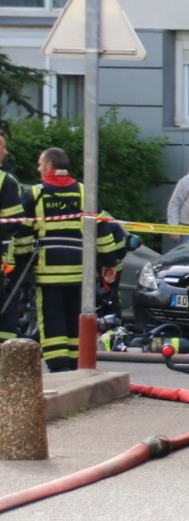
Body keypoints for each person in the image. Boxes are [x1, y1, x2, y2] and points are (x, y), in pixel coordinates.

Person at [12, 148, 125, 372]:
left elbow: (23, 237)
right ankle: (76, 368)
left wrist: (22, 269)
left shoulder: (35, 194)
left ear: (49, 167)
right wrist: (108, 263)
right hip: (80, 274)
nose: (37, 169)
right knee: (75, 321)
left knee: (52, 322)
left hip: (48, 274)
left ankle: (58, 369)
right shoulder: (85, 192)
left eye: (39, 164)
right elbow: (103, 230)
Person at [0, 139, 24, 342]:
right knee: (5, 307)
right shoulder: (5, 181)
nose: (5, 152)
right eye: (2, 147)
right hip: (3, 260)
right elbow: (12, 224)